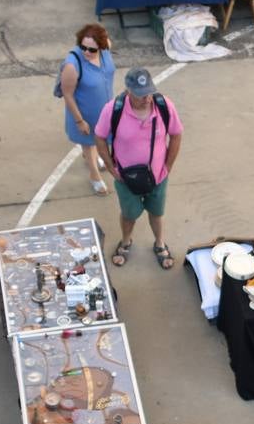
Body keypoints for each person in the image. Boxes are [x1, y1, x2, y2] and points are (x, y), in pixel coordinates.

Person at [94, 67, 183, 270]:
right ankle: (126, 242)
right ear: (128, 92)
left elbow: (176, 135)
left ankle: (159, 243)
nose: (146, 99)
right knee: (129, 214)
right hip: (126, 178)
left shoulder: (163, 106)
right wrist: (110, 167)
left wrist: (167, 167)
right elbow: (99, 137)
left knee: (157, 212)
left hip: (158, 177)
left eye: (149, 93)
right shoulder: (113, 109)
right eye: (141, 95)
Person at [56, 24, 116, 196]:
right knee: (89, 144)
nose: (87, 52)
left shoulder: (106, 48)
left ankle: (94, 158)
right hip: (85, 113)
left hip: (104, 109)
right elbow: (68, 95)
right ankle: (94, 176)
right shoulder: (72, 65)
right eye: (83, 47)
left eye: (92, 49)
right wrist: (79, 121)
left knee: (100, 140)